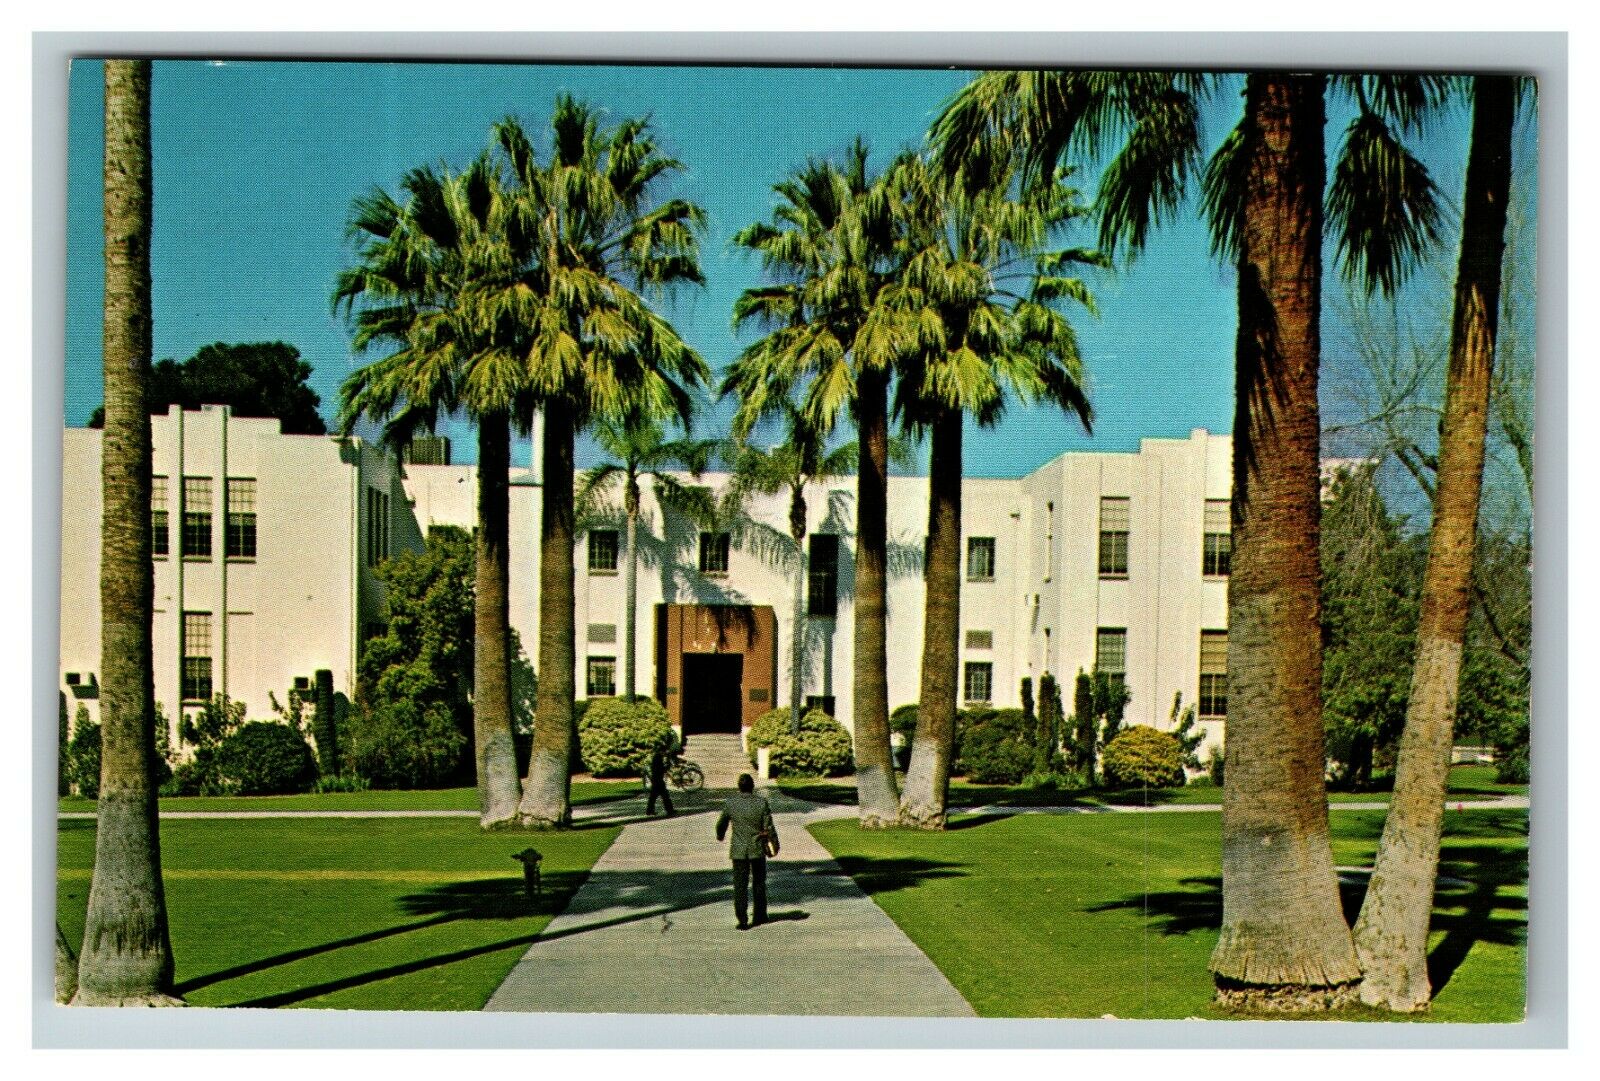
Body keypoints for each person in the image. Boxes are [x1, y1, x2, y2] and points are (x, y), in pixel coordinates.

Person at [715, 773, 776, 930]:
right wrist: (775, 844)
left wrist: (720, 835)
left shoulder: (731, 803)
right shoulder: (761, 803)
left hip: (739, 850)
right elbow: (768, 827)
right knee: (759, 883)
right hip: (757, 849)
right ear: (752, 786)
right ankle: (759, 915)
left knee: (740, 885)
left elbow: (721, 823)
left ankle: (742, 919)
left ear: (739, 787)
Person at [645, 738, 676, 817]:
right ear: (662, 751)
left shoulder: (657, 757)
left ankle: (650, 810)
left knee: (654, 796)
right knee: (665, 796)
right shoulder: (658, 757)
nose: (665, 753)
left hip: (656, 779)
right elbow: (661, 769)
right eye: (664, 751)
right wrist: (667, 766)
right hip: (658, 780)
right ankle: (669, 810)